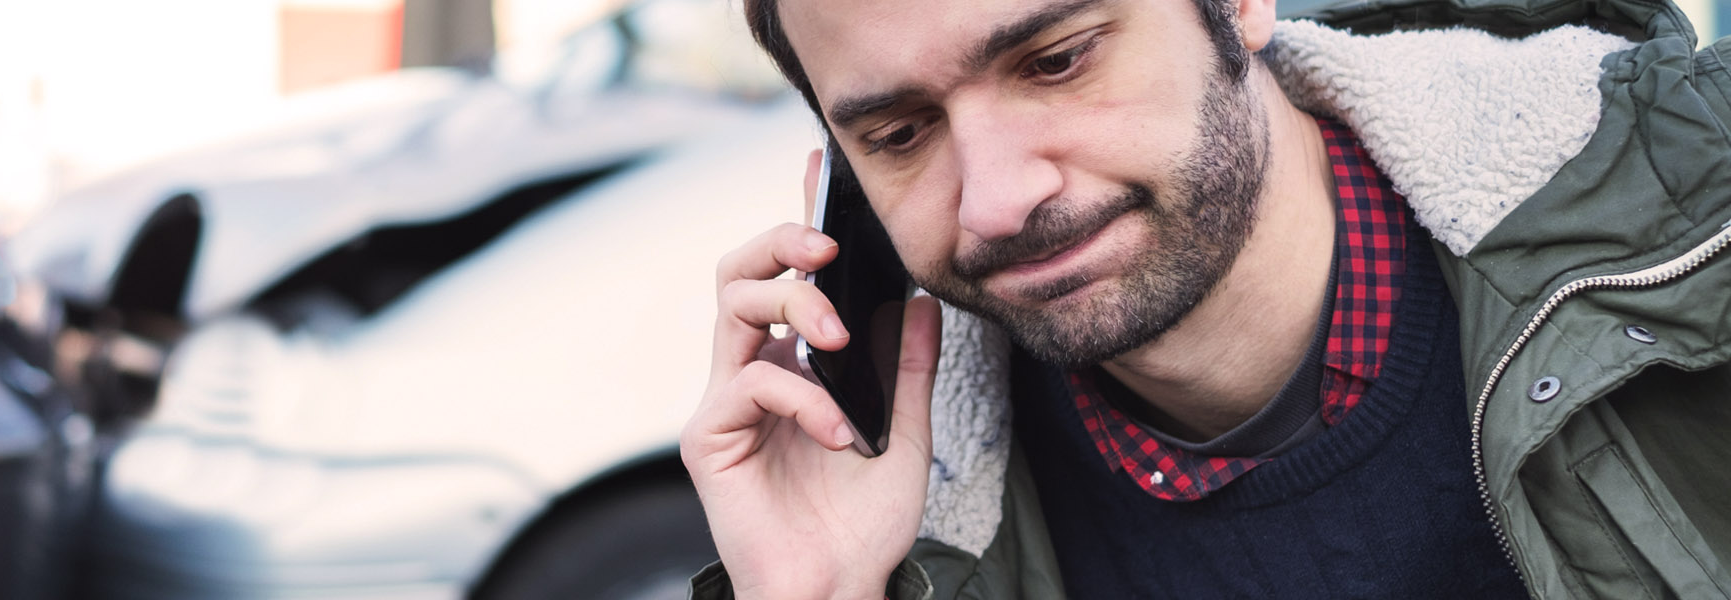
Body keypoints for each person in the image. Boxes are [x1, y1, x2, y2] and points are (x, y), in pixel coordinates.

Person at [681, 0, 1731, 597]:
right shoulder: (909, 525)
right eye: (901, 135)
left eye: (1056, 61)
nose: (998, 202)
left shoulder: (1698, 229)